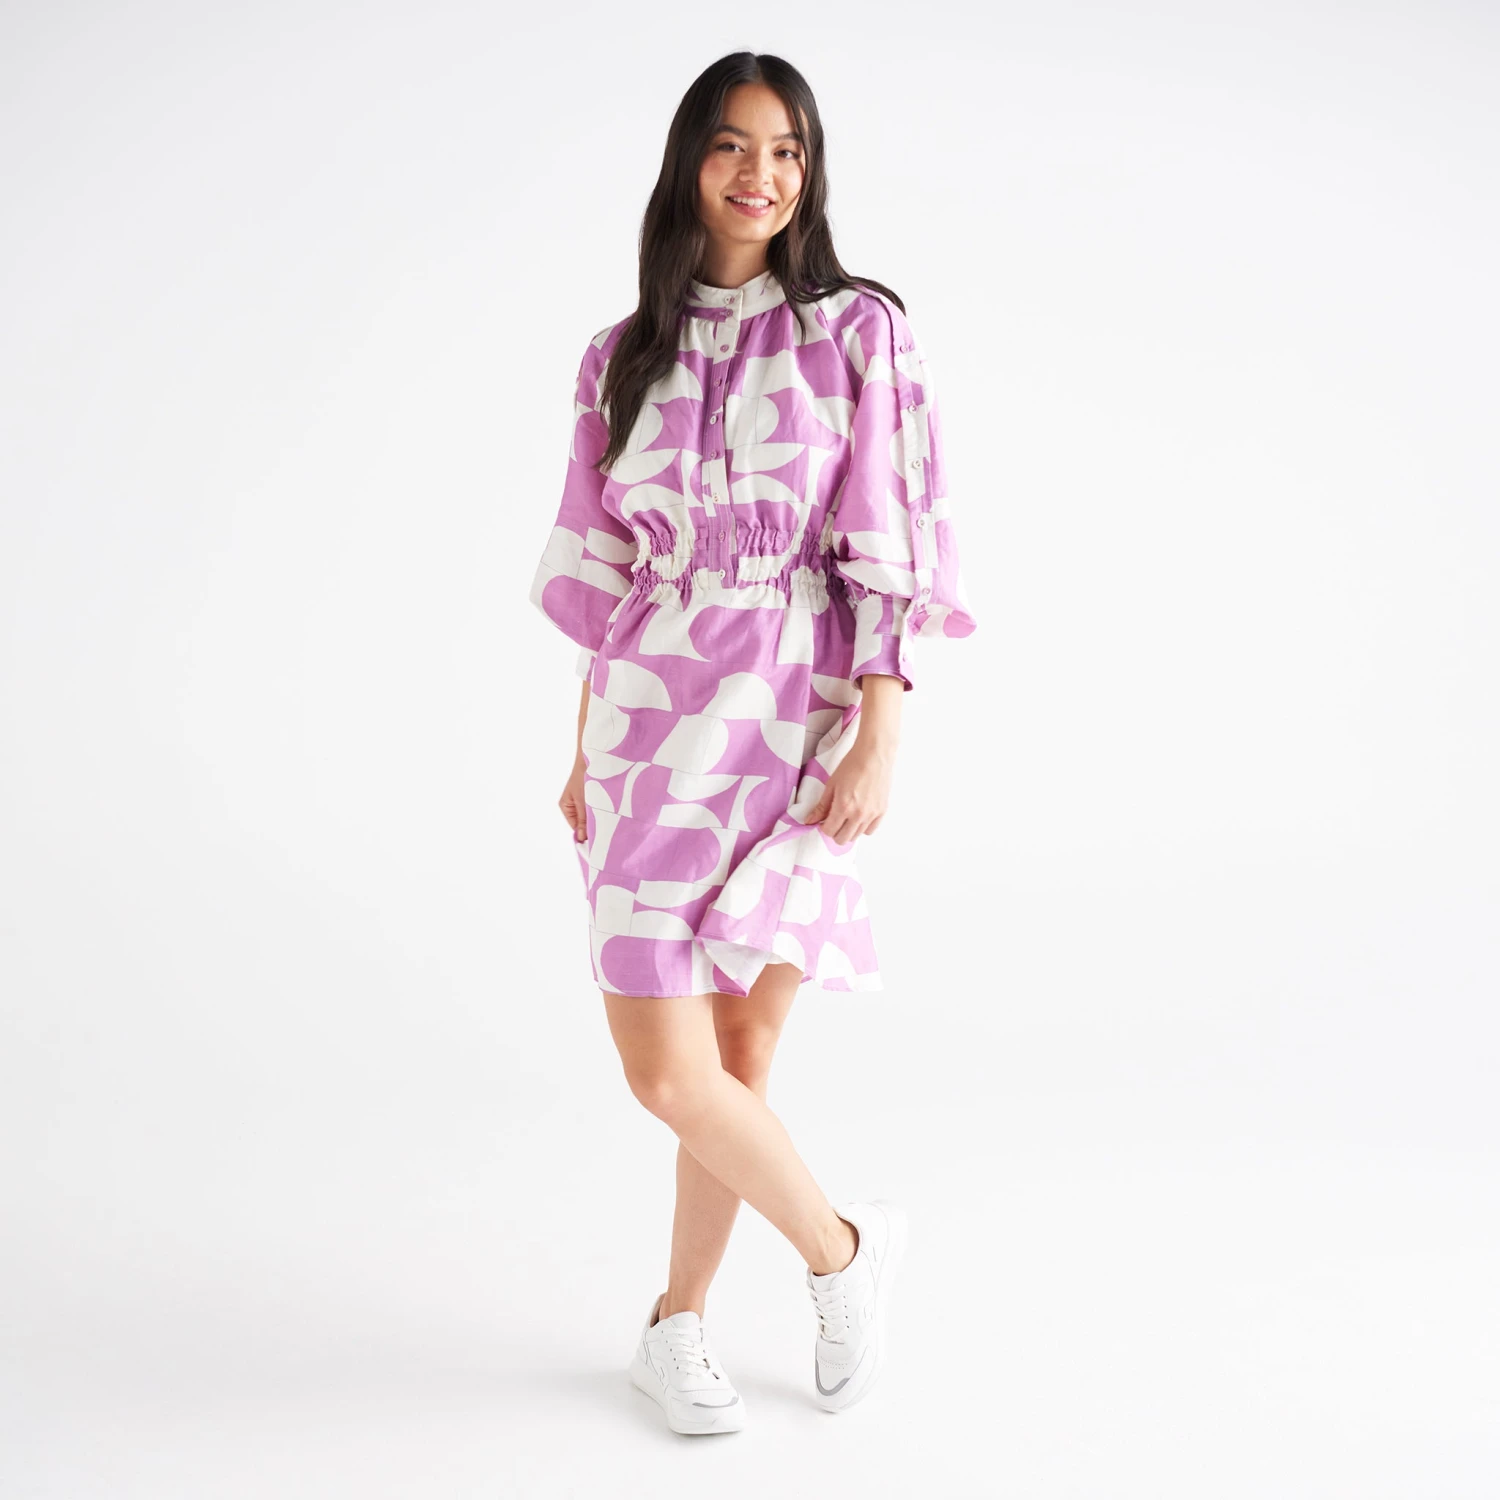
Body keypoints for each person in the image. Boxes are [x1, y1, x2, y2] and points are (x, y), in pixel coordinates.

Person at [528, 51, 977, 1436]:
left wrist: (881, 728)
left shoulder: (858, 334)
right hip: (648, 726)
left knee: (738, 1054)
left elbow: (891, 538)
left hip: (793, 717)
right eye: (732, 146)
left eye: (786, 152)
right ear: (690, 162)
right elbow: (604, 569)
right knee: (669, 1074)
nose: (760, 176)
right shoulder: (621, 355)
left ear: (810, 172)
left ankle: (678, 1326)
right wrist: (585, 746)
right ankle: (842, 1248)